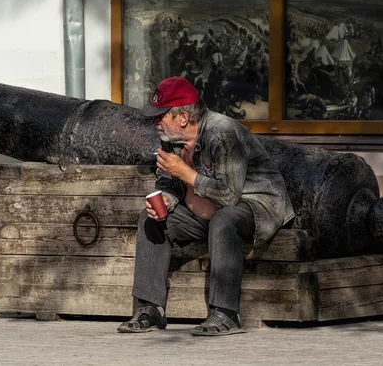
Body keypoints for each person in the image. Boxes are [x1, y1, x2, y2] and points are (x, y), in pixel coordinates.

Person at [117, 77, 294, 336]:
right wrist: (166, 198)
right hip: (205, 210)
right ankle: (150, 308)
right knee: (150, 218)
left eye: (160, 116)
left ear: (183, 117)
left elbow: (229, 196)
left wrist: (185, 173)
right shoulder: (170, 138)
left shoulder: (223, 134)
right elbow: (168, 181)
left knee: (226, 219)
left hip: (256, 204)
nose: (155, 122)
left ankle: (226, 313)